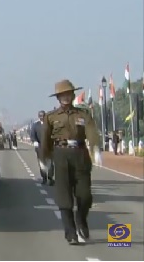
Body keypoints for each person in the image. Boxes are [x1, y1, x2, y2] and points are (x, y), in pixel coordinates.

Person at [42, 79, 101, 245]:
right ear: (58, 98)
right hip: (60, 155)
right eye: (62, 95)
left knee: (85, 195)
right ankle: (71, 233)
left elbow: (91, 131)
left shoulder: (83, 114)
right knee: (65, 198)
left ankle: (81, 219)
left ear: (73, 95)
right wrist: (45, 159)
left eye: (68, 94)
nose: (66, 97)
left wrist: (95, 147)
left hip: (80, 155)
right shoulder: (51, 117)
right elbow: (46, 140)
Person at [31, 110, 54, 186]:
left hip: (49, 147)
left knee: (50, 163)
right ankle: (44, 178)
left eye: (43, 116)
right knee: (42, 163)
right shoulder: (35, 125)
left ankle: (50, 178)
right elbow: (33, 135)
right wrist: (35, 142)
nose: (42, 117)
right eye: (40, 116)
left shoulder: (50, 124)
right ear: (38, 116)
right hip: (40, 147)